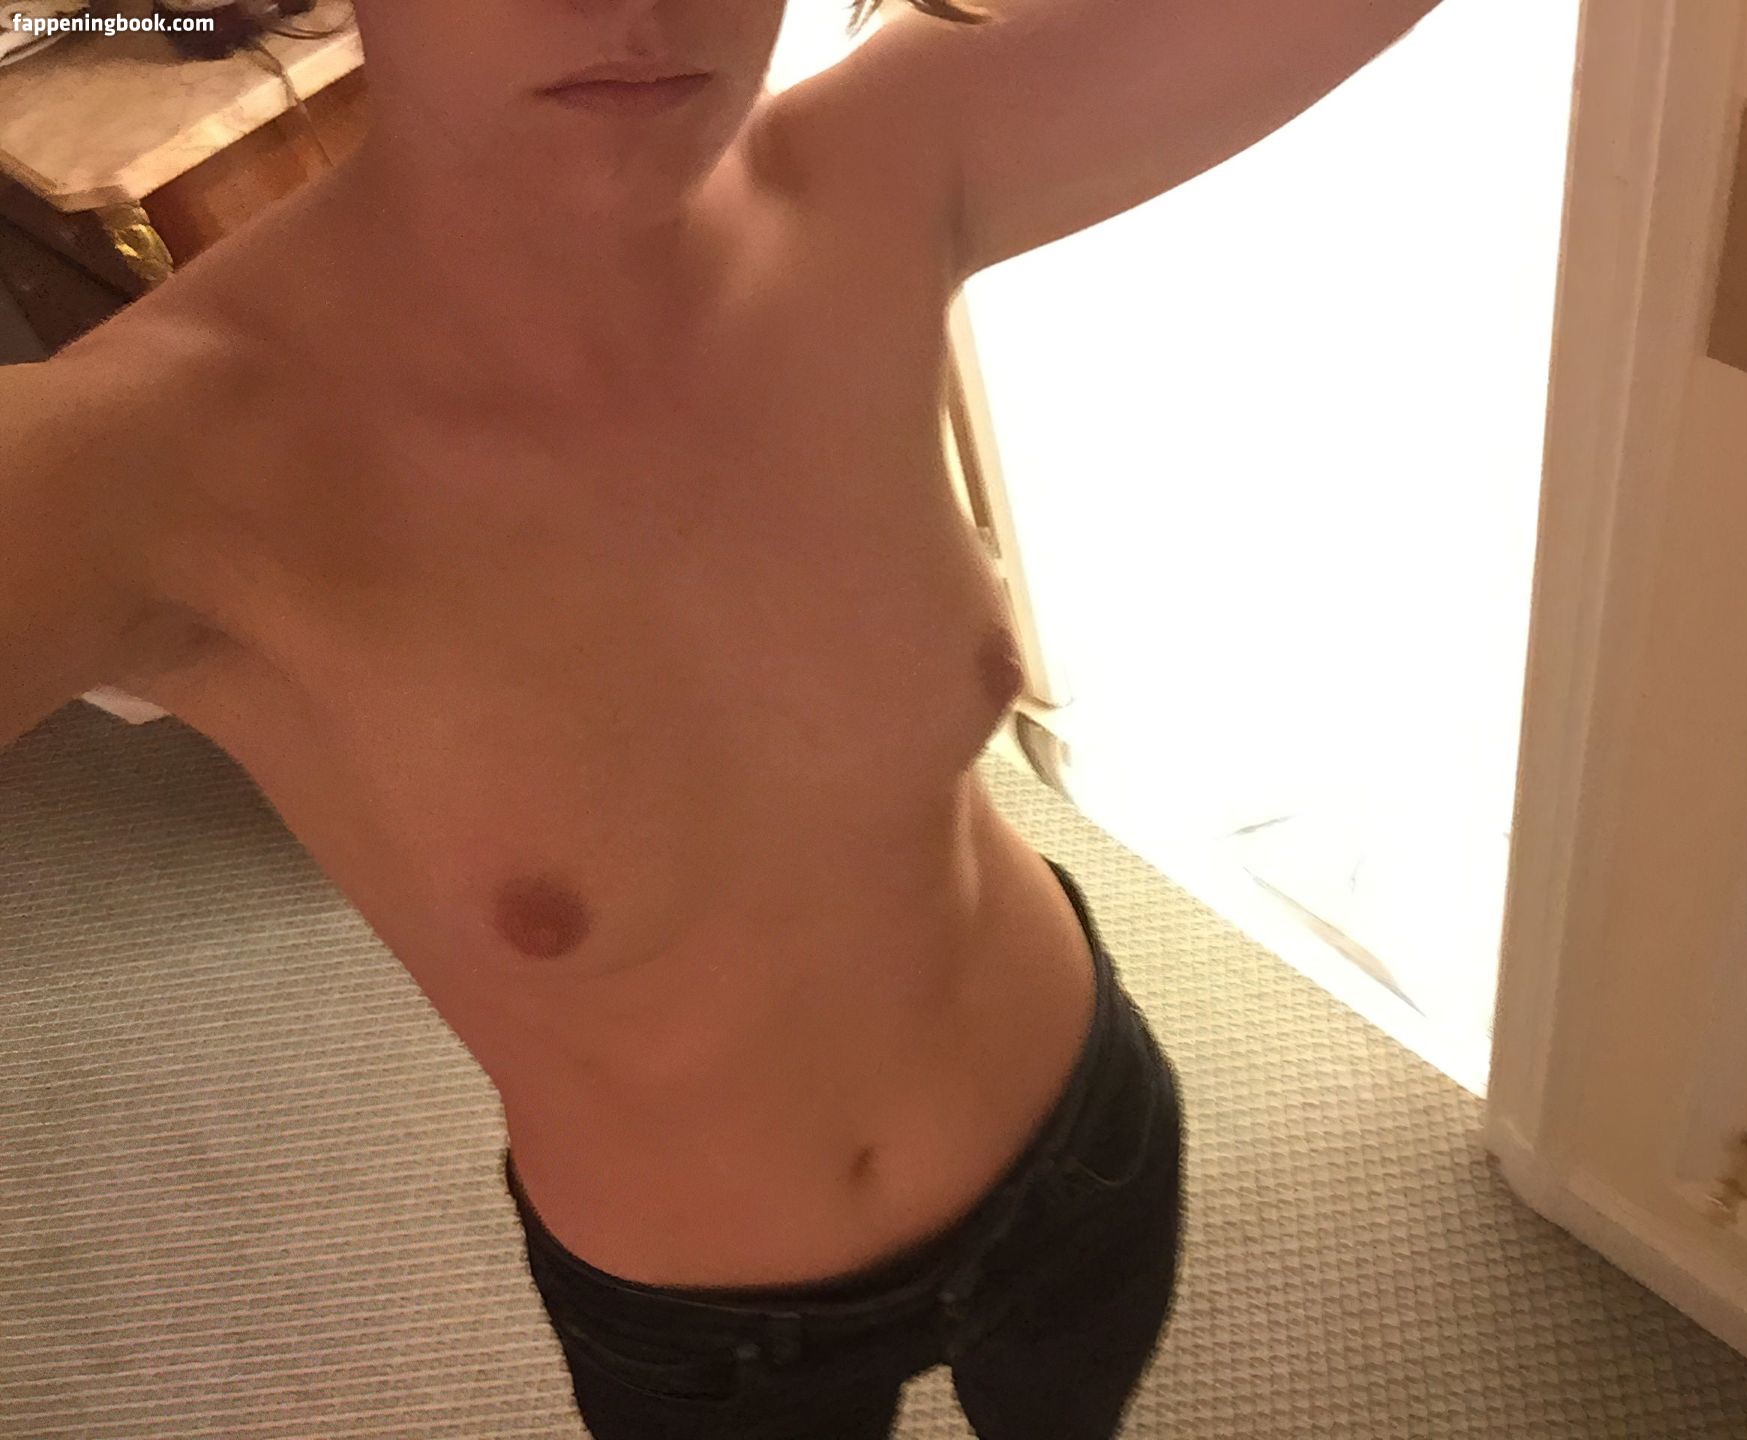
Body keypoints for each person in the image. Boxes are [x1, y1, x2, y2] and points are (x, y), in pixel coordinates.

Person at [0, 0, 1444, 1433]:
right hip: (713, 1342)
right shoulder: (140, 462)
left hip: (1086, 1147)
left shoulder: (888, 160)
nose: (642, 14)